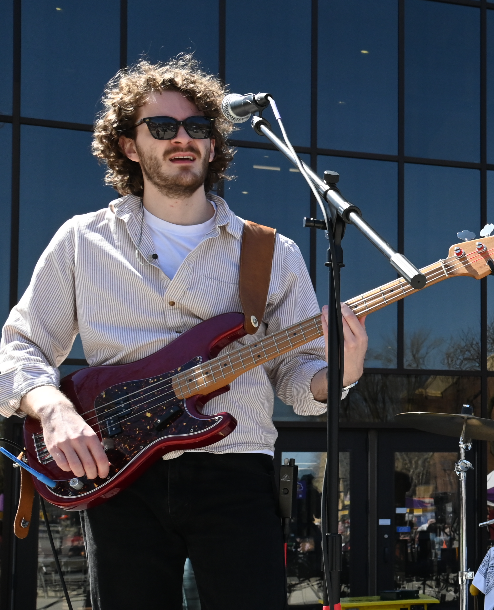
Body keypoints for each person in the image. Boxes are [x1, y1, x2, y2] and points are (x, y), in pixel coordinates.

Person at [0, 55, 367, 608]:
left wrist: (340, 373)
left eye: (197, 127)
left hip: (237, 475)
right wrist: (55, 410)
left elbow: (298, 380)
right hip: (119, 474)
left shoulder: (270, 252)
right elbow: (20, 345)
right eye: (163, 126)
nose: (183, 138)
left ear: (213, 146)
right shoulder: (81, 241)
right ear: (128, 145)